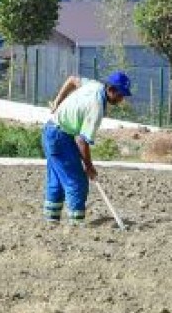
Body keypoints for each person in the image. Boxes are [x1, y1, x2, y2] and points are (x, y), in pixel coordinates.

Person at [42, 71, 132, 224]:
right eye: (120, 95)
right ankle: (76, 223)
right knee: (77, 181)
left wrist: (58, 101)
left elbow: (72, 80)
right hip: (60, 137)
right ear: (111, 89)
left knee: (56, 180)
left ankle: (51, 220)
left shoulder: (94, 85)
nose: (121, 99)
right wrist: (89, 166)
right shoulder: (96, 107)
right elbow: (82, 141)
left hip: (50, 130)